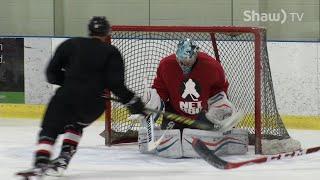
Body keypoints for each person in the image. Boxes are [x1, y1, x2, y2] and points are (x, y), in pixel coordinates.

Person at [16, 16, 144, 178]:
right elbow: (115, 85)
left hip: (66, 96)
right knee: (75, 126)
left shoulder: (70, 44)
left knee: (49, 129)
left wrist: (71, 81)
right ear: (107, 33)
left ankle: (40, 163)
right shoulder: (111, 52)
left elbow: (51, 75)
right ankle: (63, 159)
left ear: (89, 30)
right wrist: (133, 102)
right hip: (94, 103)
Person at [135, 38, 247, 158]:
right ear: (177, 56)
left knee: (203, 133)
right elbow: (161, 90)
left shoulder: (212, 66)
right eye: (182, 61)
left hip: (201, 114)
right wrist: (152, 104)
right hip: (175, 113)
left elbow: (219, 90)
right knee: (171, 135)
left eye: (189, 62)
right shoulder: (166, 65)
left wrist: (220, 105)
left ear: (196, 55)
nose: (185, 65)